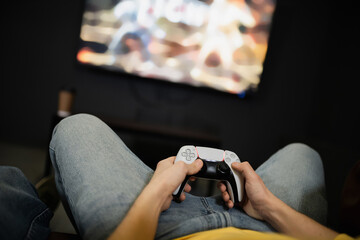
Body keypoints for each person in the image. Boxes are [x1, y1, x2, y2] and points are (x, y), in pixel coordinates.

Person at [0, 114, 355, 240]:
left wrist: (158, 190)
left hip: (153, 229)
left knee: (77, 127)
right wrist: (269, 208)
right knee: (303, 152)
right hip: (271, 224)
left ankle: (42, 199)